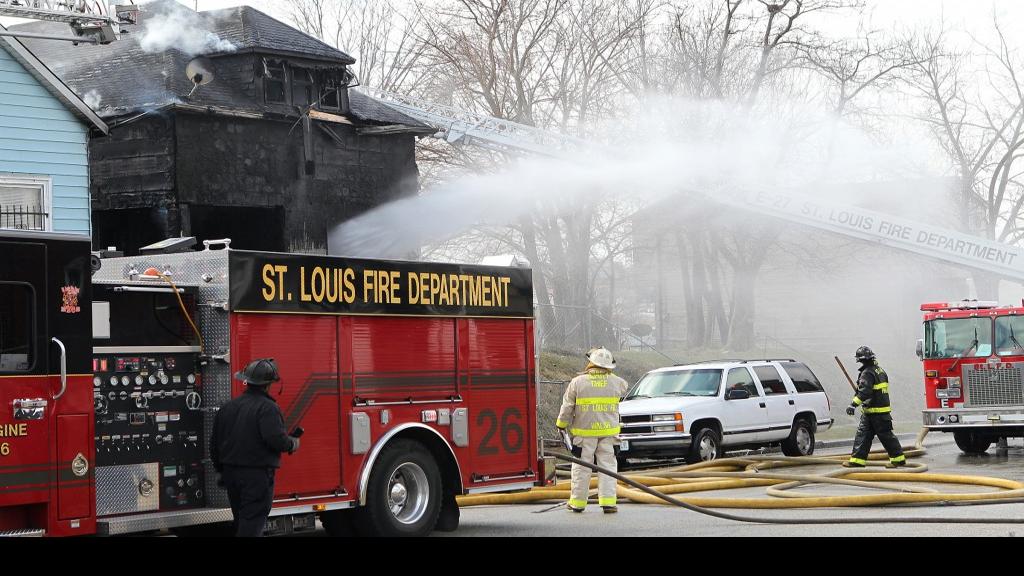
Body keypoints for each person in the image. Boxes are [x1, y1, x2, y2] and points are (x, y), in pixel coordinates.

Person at [211, 358, 301, 537]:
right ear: (269, 384)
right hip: (256, 476)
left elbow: (215, 445)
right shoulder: (268, 408)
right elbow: (276, 440)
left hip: (230, 475)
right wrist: (293, 443)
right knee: (252, 524)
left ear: (247, 380)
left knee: (242, 521)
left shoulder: (228, 407)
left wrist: (220, 470)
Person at [556, 347, 629, 514]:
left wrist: (561, 424)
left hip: (584, 434)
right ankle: (609, 503)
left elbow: (567, 407)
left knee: (582, 468)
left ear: (591, 363)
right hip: (608, 434)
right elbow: (623, 387)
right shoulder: (618, 382)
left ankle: (577, 503)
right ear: (609, 366)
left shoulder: (577, 382)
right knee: (608, 467)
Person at [843, 347, 906, 469]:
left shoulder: (867, 373)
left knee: (885, 436)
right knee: (864, 436)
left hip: (874, 411)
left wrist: (853, 404)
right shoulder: (880, 371)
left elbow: (865, 392)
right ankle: (857, 461)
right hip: (876, 412)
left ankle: (898, 460)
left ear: (861, 360)